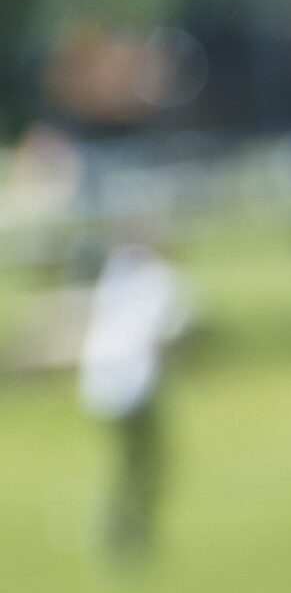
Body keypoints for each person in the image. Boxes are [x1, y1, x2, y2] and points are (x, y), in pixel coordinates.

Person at [75, 235, 190, 562]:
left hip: (101, 381)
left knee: (132, 462)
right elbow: (163, 336)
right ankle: (130, 530)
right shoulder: (160, 281)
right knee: (144, 463)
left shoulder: (117, 273)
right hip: (132, 383)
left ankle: (124, 526)